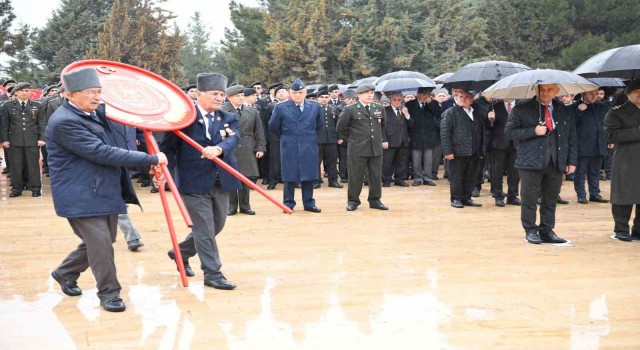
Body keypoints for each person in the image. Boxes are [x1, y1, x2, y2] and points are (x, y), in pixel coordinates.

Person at [47, 68, 167, 312]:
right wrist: (151, 159)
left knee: (103, 240)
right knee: (101, 244)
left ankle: (65, 272)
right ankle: (109, 294)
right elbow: (102, 152)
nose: (96, 97)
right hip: (79, 193)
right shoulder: (65, 122)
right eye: (89, 92)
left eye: (99, 91)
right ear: (69, 95)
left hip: (105, 188)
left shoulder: (94, 112)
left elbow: (125, 114)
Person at [161, 72, 242, 290]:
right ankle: (213, 273)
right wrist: (161, 168)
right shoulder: (182, 120)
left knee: (217, 225)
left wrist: (218, 149)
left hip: (221, 180)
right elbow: (168, 148)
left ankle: (180, 252)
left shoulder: (228, 117)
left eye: (222, 94)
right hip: (193, 182)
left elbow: (234, 138)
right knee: (204, 229)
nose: (219, 98)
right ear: (198, 94)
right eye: (215, 93)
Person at [504, 83, 577, 245]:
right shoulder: (522, 108)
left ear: (557, 91)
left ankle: (547, 229)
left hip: (556, 161)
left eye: (549, 89)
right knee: (529, 199)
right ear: (535, 90)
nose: (545, 92)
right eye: (541, 89)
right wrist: (533, 131)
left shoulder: (564, 110)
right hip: (530, 161)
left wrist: (571, 160)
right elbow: (509, 132)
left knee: (550, 199)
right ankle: (530, 230)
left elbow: (571, 136)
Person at [268, 78, 322, 212]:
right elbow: (273, 126)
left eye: (301, 92)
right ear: (289, 93)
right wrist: (287, 136)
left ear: (305, 93)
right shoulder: (281, 107)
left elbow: (319, 126)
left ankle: (309, 203)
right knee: (289, 175)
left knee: (308, 174)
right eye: (295, 93)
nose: (298, 95)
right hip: (290, 144)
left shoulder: (315, 106)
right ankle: (288, 203)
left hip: (308, 144)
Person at [336, 84, 388, 211]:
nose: (370, 95)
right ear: (358, 95)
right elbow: (341, 128)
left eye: (371, 92)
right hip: (357, 148)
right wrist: (353, 140)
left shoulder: (379, 108)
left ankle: (375, 200)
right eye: (366, 93)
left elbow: (383, 127)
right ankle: (353, 201)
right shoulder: (350, 109)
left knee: (375, 176)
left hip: (375, 147)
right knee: (355, 176)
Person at [604, 80, 640, 241]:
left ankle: (638, 230)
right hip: (627, 159)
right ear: (628, 93)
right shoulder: (617, 112)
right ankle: (621, 229)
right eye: (637, 91)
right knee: (623, 195)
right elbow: (611, 135)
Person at [222, 85, 266, 215]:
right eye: (237, 96)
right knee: (231, 176)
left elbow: (259, 131)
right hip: (229, 146)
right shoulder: (223, 110)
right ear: (229, 97)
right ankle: (231, 206)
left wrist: (261, 147)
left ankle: (245, 205)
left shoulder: (252, 111)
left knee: (245, 177)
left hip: (247, 146)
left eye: (242, 95)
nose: (241, 98)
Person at [440, 89, 485, 208]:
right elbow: (445, 133)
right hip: (457, 151)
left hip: (474, 151)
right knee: (456, 176)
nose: (461, 99)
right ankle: (455, 198)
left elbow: (481, 130)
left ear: (471, 99)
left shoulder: (476, 113)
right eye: (460, 96)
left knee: (471, 176)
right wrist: (448, 151)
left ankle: (467, 197)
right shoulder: (450, 112)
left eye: (465, 97)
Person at [0, 82, 46, 197]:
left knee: (33, 165)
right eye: (21, 90)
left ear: (30, 92)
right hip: (14, 140)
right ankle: (17, 188)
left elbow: (41, 123)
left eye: (27, 91)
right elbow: (4, 124)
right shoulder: (8, 106)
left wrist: (42, 138)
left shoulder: (37, 105)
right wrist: (4, 139)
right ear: (16, 92)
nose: (24, 93)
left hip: (32, 139)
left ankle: (35, 187)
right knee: (16, 165)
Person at [571, 89, 609, 204]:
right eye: (591, 94)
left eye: (596, 94)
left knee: (595, 171)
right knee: (580, 171)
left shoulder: (602, 107)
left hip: (599, 143)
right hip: (582, 144)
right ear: (583, 94)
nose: (594, 96)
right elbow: (570, 124)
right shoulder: (574, 106)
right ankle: (581, 194)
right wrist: (579, 111)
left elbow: (607, 123)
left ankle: (595, 193)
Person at [486, 99, 521, 207]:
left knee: (515, 171)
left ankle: (512, 196)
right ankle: (498, 195)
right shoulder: (494, 106)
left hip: (516, 143)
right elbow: (488, 126)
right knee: (497, 171)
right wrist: (490, 119)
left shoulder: (521, 106)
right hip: (498, 144)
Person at [405, 87, 441, 186]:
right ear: (418, 94)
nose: (424, 96)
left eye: (426, 95)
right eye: (422, 94)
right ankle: (417, 178)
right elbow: (408, 119)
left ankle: (428, 178)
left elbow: (438, 113)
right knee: (416, 159)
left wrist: (430, 103)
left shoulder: (433, 103)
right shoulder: (410, 104)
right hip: (415, 135)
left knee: (428, 159)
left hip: (429, 135)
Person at [315, 88, 342, 189]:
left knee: (332, 161)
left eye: (326, 97)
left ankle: (333, 180)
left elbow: (338, 124)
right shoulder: (313, 109)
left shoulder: (333, 108)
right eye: (321, 97)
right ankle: (316, 180)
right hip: (317, 139)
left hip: (331, 139)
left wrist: (339, 137)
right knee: (316, 161)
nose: (324, 99)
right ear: (318, 98)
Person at [382, 92, 410, 187]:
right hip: (390, 141)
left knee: (401, 162)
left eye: (399, 100)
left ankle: (399, 179)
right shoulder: (385, 110)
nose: (397, 102)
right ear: (390, 100)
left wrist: (407, 115)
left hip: (403, 140)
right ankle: (386, 179)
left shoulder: (405, 110)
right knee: (387, 162)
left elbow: (411, 125)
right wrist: (384, 140)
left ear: (402, 100)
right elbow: (381, 127)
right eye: (394, 100)